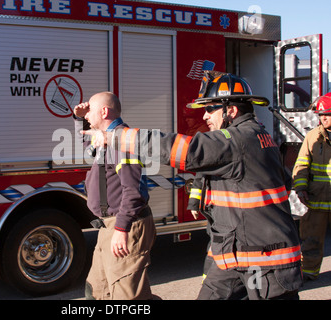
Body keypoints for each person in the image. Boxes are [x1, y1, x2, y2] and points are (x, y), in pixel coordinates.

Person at [86, 72, 303, 300]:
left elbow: (183, 150)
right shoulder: (257, 136)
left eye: (210, 109)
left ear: (231, 110)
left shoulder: (237, 140)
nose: (205, 116)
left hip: (264, 258)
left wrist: (117, 136)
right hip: (234, 253)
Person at [74, 91, 156, 300]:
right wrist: (79, 120)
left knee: (127, 297)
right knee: (97, 292)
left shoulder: (122, 141)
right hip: (107, 226)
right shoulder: (107, 139)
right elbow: (87, 150)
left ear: (104, 111)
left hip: (124, 225)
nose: (87, 115)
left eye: (90, 110)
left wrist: (121, 228)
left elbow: (133, 191)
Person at [292, 93, 331, 280]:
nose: (323, 118)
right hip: (317, 199)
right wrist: (300, 188)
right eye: (321, 115)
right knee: (311, 239)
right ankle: (308, 273)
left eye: (328, 114)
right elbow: (301, 164)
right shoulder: (313, 136)